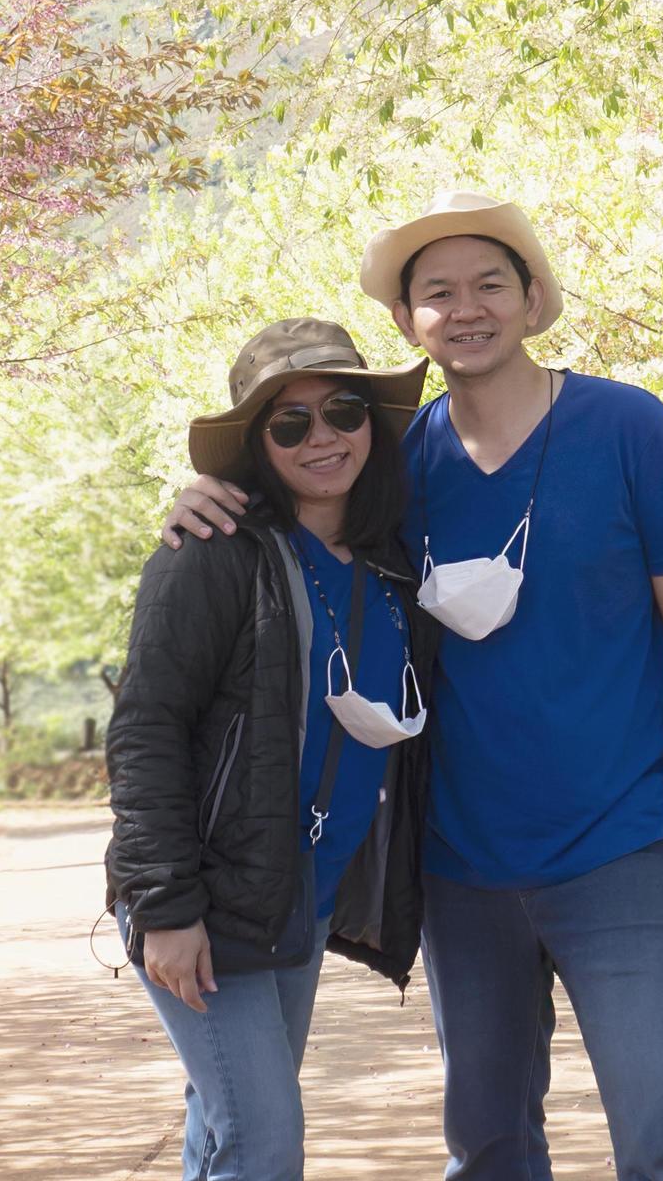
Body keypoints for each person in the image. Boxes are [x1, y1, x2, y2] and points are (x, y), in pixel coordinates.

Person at [164, 191, 663, 1181]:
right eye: (437, 294)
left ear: (530, 296)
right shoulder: (400, 462)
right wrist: (195, 498)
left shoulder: (628, 427)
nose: (465, 310)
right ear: (406, 321)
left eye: (487, 285)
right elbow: (297, 498)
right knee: (488, 1144)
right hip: (460, 866)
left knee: (662, 1132)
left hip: (617, 845)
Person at [107, 317, 437, 1181]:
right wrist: (167, 908)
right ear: (257, 442)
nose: (322, 436)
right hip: (209, 900)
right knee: (262, 1141)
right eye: (290, 423)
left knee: (225, 1127)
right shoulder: (210, 554)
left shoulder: (392, 560)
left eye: (342, 410)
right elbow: (146, 729)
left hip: (300, 898)